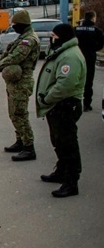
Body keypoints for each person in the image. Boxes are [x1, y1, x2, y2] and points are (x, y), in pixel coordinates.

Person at [36, 23, 86, 198]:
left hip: (66, 105)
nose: (52, 39)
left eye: (54, 36)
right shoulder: (62, 52)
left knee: (68, 144)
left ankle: (71, 182)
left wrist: (46, 99)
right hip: (58, 106)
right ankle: (61, 172)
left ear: (62, 37)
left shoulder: (70, 56)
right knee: (59, 141)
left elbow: (65, 85)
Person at [0, 9, 40, 161]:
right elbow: (9, 52)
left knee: (20, 114)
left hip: (22, 82)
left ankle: (28, 147)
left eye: (16, 24)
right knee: (14, 113)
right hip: (16, 82)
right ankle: (20, 141)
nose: (14, 27)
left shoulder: (29, 40)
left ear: (23, 24)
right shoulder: (22, 37)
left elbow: (17, 56)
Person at [74, 11, 103, 112]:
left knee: (76, 80)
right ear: (93, 18)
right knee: (88, 81)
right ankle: (86, 104)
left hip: (77, 57)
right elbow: (101, 44)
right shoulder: (96, 31)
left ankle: (75, 103)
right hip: (90, 57)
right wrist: (93, 49)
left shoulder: (76, 29)